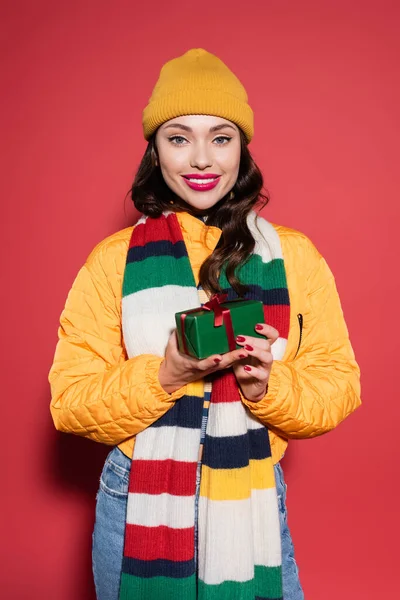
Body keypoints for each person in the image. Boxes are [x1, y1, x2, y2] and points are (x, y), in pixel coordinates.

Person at [48, 48, 361, 600]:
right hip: (135, 496)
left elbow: (339, 385)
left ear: (243, 148)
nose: (201, 159)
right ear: (154, 150)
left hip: (252, 489)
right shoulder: (112, 260)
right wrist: (164, 375)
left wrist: (265, 385)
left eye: (221, 137)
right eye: (178, 137)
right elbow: (69, 401)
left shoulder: (296, 257)